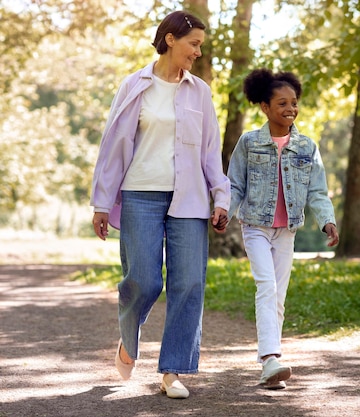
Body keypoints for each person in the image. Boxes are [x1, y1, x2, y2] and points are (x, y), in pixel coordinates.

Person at [90, 10, 230, 399]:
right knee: (145, 280)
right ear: (170, 39)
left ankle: (173, 371)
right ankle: (128, 339)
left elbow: (209, 151)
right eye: (194, 44)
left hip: (189, 199)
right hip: (140, 194)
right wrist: (102, 202)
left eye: (200, 45)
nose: (198, 53)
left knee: (188, 283)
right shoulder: (135, 84)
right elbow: (114, 146)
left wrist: (221, 195)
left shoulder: (199, 91)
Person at [227, 68, 340, 390]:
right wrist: (223, 211)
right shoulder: (249, 143)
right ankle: (270, 358)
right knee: (267, 286)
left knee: (279, 296)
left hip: (286, 231)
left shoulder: (306, 146)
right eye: (282, 104)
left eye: (294, 103)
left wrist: (327, 220)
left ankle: (271, 368)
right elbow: (235, 184)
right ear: (264, 106)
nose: (290, 109)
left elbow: (317, 191)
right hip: (256, 227)